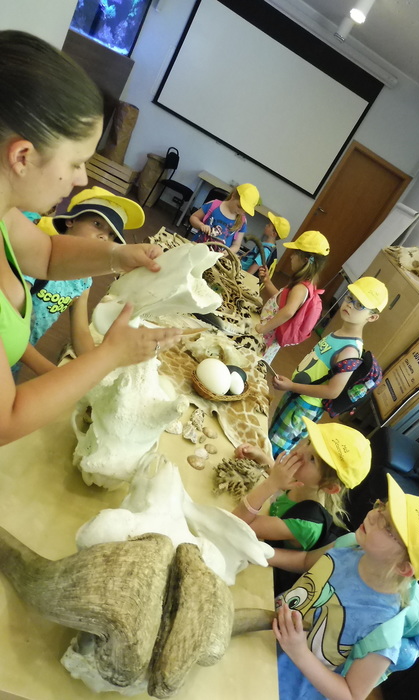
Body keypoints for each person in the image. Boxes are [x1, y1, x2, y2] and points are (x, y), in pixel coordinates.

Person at [0, 30, 180, 445]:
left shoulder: (6, 215)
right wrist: (111, 355)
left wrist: (118, 255)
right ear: (23, 156)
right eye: (76, 162)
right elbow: (6, 419)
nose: (82, 178)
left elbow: (46, 254)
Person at [270, 473, 419, 700]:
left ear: (404, 567)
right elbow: (305, 561)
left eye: (387, 526)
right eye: (381, 506)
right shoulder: (350, 545)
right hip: (270, 630)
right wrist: (263, 552)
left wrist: (299, 652)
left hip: (286, 684)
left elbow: (351, 694)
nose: (372, 515)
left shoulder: (383, 629)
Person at [17, 187, 146, 376]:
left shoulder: (82, 280)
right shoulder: (36, 255)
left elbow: (81, 333)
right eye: (97, 224)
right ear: (71, 220)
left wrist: (100, 366)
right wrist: (53, 375)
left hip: (12, 363)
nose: (104, 237)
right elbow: (8, 326)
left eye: (112, 235)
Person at [268, 277, 388, 457]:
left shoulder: (350, 350)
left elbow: (332, 391)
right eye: (350, 298)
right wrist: (292, 388)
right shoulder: (339, 333)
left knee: (273, 450)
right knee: (270, 438)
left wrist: (292, 386)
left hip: (304, 407)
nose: (350, 305)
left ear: (372, 317)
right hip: (296, 396)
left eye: (360, 305)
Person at [233, 418, 371, 553]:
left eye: (312, 459)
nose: (299, 453)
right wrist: (261, 457)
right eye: (309, 443)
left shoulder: (305, 525)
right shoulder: (307, 484)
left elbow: (238, 523)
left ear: (329, 487)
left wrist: (271, 484)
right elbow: (286, 481)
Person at [255, 230, 330, 365]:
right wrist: (267, 281)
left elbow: (288, 312)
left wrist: (263, 329)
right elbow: (280, 302)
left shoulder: (300, 288)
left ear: (305, 261)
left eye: (295, 253)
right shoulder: (304, 284)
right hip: (265, 335)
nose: (291, 257)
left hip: (264, 339)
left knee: (251, 364)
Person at [189, 183, 260, 254]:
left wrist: (228, 252)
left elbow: (236, 245)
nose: (240, 211)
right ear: (233, 196)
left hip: (216, 258)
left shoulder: (242, 221)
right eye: (239, 206)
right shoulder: (213, 205)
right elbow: (193, 217)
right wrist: (201, 225)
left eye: (245, 210)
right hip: (197, 250)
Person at [240, 211, 290, 276]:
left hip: (243, 272)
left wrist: (245, 276)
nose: (266, 225)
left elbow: (256, 264)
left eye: (269, 225)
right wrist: (240, 257)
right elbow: (252, 251)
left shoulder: (266, 250)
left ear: (273, 234)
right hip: (241, 266)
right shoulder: (267, 244)